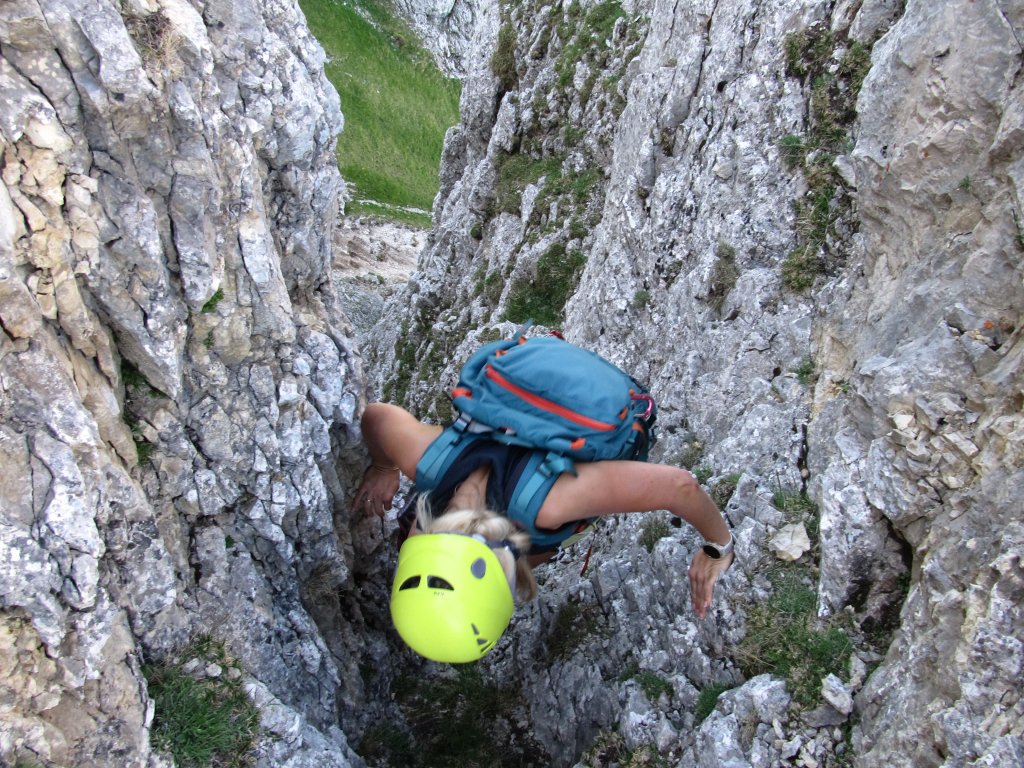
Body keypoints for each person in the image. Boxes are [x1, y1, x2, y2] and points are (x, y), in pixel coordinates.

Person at [355, 401, 735, 662]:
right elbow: (375, 416)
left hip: (575, 425)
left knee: (541, 538)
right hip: (518, 402)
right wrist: (386, 466)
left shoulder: (553, 504)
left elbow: (679, 486)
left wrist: (720, 547)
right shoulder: (424, 457)